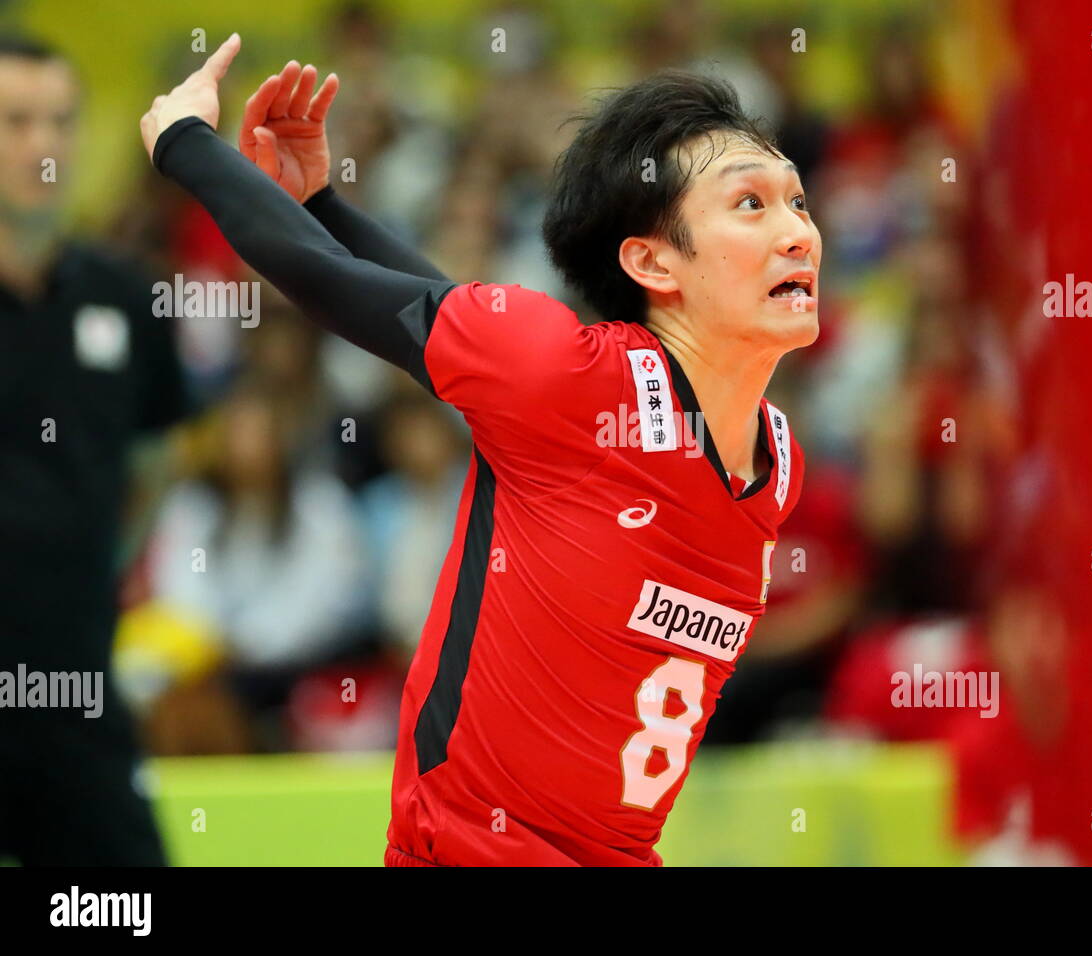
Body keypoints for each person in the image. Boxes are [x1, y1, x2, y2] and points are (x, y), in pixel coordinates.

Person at [139, 33, 821, 866]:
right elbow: (324, 278)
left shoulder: (776, 460)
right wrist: (187, 144)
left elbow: (439, 310)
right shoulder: (567, 377)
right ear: (651, 261)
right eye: (751, 204)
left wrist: (321, 201)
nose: (798, 232)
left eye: (799, 202)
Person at [0, 35, 188, 865]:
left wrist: (91, 563)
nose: (45, 145)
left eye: (62, 122)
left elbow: (156, 461)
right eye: (16, 122)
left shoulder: (125, 298)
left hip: (75, 691)